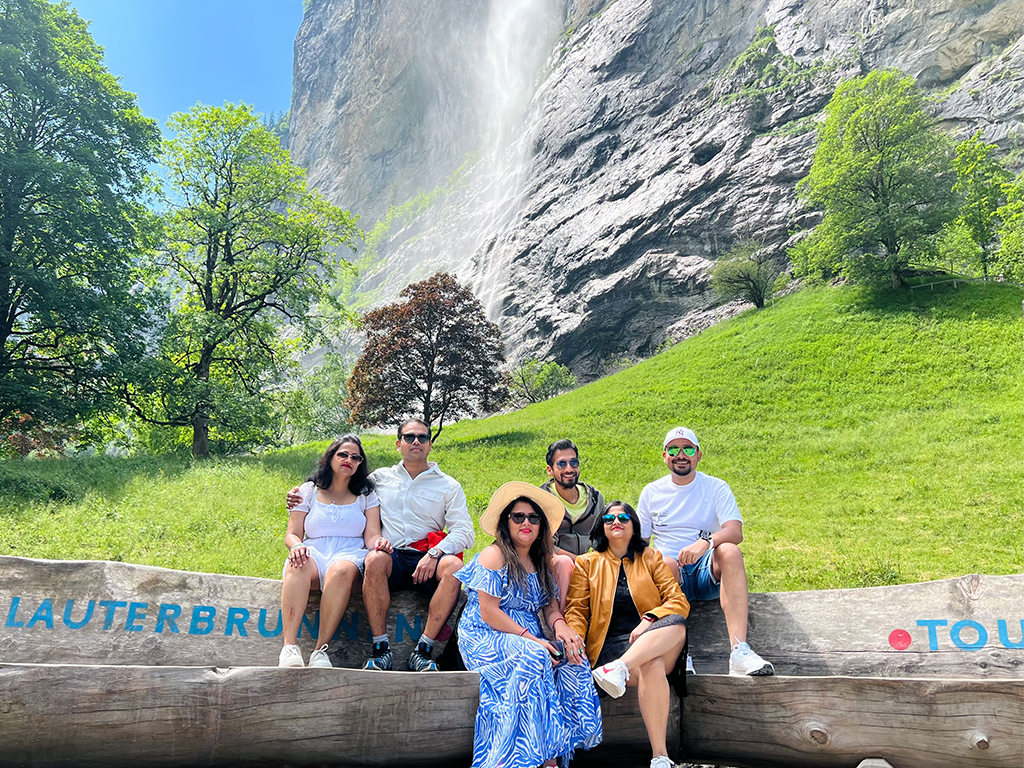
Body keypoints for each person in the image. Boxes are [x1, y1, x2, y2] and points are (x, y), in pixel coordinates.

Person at [286, 417, 474, 671]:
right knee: (373, 558)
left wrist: (435, 552)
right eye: (409, 437)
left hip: (428, 556)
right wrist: (297, 494)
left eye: (423, 438)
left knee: (454, 566)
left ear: (430, 444)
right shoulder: (379, 479)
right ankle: (380, 647)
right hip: (391, 555)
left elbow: (464, 532)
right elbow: (342, 486)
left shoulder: (448, 485)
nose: (416, 442)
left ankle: (425, 650)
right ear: (398, 444)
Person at [455, 482, 602, 768]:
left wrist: (561, 627)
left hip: (525, 636)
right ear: (505, 523)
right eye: (518, 517)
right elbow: (489, 612)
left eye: (533, 518)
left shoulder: (541, 560)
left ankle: (558, 750)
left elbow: (548, 606)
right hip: (486, 635)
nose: (526, 523)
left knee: (571, 657)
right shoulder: (494, 556)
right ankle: (522, 759)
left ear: (541, 526)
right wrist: (531, 640)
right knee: (536, 657)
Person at [637, 426, 774, 676]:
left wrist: (705, 543)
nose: (681, 454)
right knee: (663, 564)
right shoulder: (651, 492)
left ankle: (739, 651)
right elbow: (642, 543)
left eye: (688, 448)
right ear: (664, 455)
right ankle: (678, 654)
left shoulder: (716, 487)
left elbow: (735, 530)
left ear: (698, 455)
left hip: (706, 569)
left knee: (730, 551)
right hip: (670, 574)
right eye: (674, 449)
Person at [565, 501, 688, 768]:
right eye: (609, 518)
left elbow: (678, 602)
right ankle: (660, 756)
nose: (616, 521)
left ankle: (619, 668)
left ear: (634, 526)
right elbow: (576, 609)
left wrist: (649, 619)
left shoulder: (652, 558)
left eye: (623, 517)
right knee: (650, 663)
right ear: (602, 527)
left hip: (656, 637)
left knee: (677, 623)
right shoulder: (586, 564)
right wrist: (574, 637)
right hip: (611, 646)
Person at [279, 434, 384, 668]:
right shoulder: (307, 491)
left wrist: (379, 544)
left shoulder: (366, 494)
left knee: (340, 570)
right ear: (330, 457)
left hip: (349, 553)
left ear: (360, 464)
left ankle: (320, 650)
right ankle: (289, 647)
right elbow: (292, 533)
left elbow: (372, 535)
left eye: (356, 457)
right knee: (299, 561)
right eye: (343, 454)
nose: (349, 460)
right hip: (314, 550)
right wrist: (297, 545)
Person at [540, 439, 607, 610]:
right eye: (561, 464)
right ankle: (564, 618)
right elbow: (546, 545)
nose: (569, 469)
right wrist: (580, 561)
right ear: (550, 470)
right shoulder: (541, 500)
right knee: (564, 563)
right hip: (551, 563)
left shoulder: (595, 498)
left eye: (573, 462)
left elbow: (602, 537)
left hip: (586, 561)